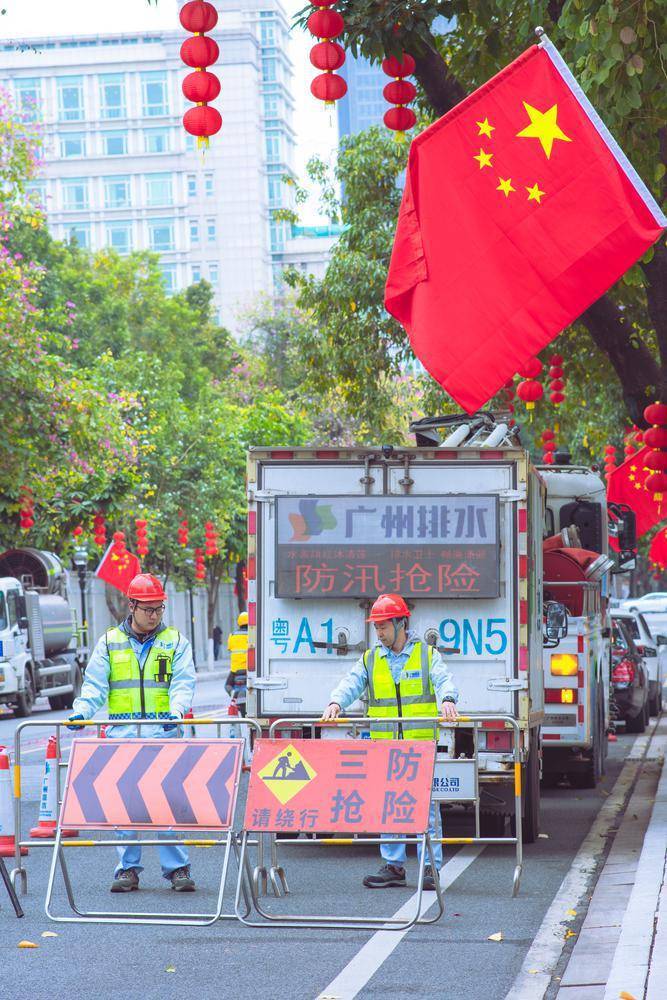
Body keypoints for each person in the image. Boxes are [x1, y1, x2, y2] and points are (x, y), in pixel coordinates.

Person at [66, 573, 196, 894]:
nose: (154, 615)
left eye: (159, 609)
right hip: (122, 738)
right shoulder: (110, 642)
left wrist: (176, 712)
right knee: (125, 809)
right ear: (132, 605)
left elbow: (183, 683)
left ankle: (178, 868)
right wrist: (82, 710)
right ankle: (127, 870)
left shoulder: (175, 642)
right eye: (148, 609)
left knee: (166, 804)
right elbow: (95, 685)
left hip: (163, 736)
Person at [321, 593, 458, 892]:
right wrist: (335, 702)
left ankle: (429, 868)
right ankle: (394, 866)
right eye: (376, 627)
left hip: (419, 747)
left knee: (427, 810)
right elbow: (351, 682)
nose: (379, 633)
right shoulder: (371, 658)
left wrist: (448, 699)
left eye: (383, 626)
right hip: (384, 747)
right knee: (389, 806)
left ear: (401, 623)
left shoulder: (426, 655)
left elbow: (444, 679)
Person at [225, 611, 248, 716]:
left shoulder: (232, 635)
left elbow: (229, 648)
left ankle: (233, 694)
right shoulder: (253, 634)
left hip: (235, 670)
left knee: (227, 685)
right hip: (249, 669)